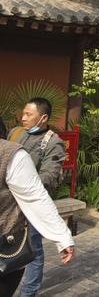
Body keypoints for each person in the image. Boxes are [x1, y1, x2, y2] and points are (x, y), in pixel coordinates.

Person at [1, 118, 74, 297]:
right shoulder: (17, 134)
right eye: (24, 112)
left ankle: (29, 290)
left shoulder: (52, 141)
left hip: (17, 221)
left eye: (29, 113)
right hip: (22, 206)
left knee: (34, 250)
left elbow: (43, 185)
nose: (24, 117)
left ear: (43, 117)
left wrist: (61, 235)